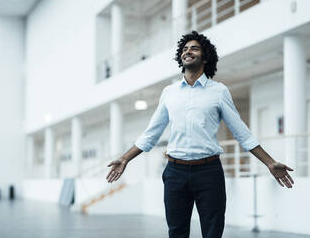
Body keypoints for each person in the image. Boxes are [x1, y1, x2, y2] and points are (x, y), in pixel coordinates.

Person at [105, 31, 294, 238]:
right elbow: (151, 133)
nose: (188, 51)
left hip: (209, 172)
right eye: (185, 49)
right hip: (175, 172)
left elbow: (241, 132)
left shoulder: (219, 91)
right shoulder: (169, 92)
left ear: (205, 57)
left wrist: (269, 162)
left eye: (194, 48)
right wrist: (125, 158)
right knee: (177, 233)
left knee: (212, 232)